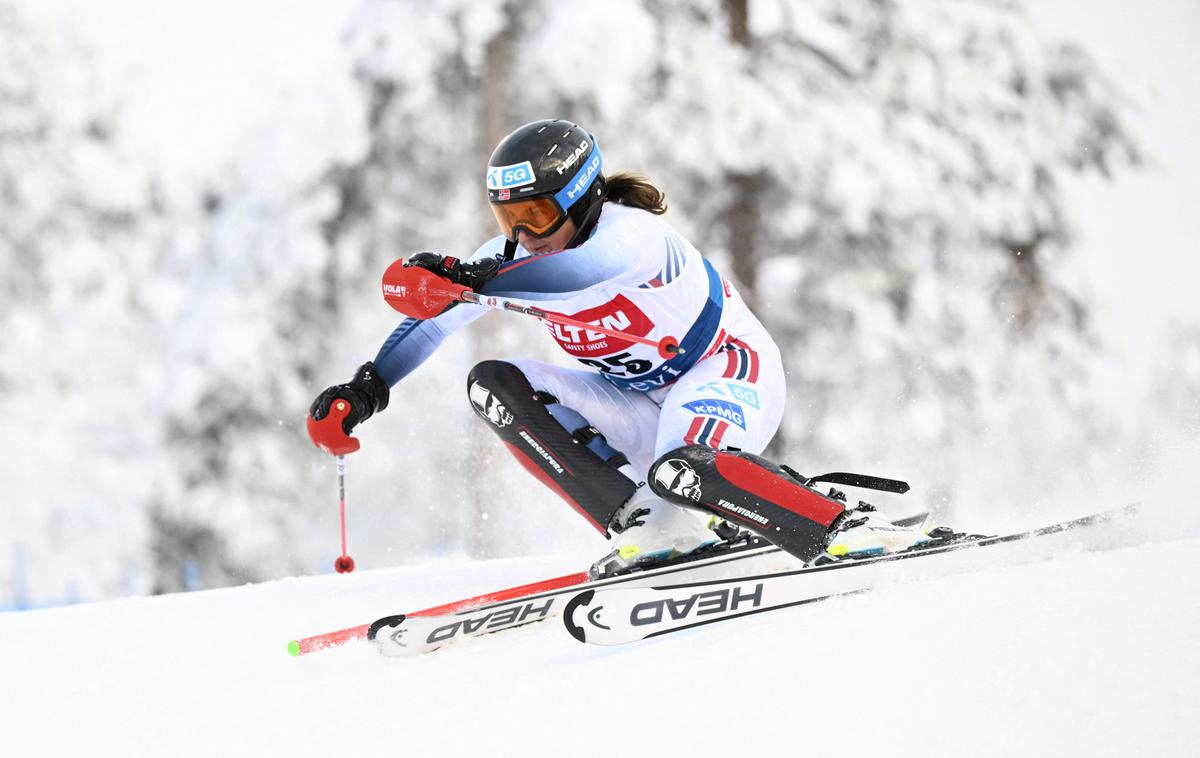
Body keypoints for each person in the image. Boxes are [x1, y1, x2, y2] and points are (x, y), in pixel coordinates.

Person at [309, 118, 933, 577]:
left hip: (724, 374)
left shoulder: (630, 236)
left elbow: (573, 277)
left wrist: (468, 282)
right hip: (635, 397)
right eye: (508, 220)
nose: (524, 237)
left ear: (583, 198)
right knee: (492, 383)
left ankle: (840, 522)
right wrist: (367, 388)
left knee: (683, 467)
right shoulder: (511, 260)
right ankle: (651, 526)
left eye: (538, 215)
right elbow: (432, 323)